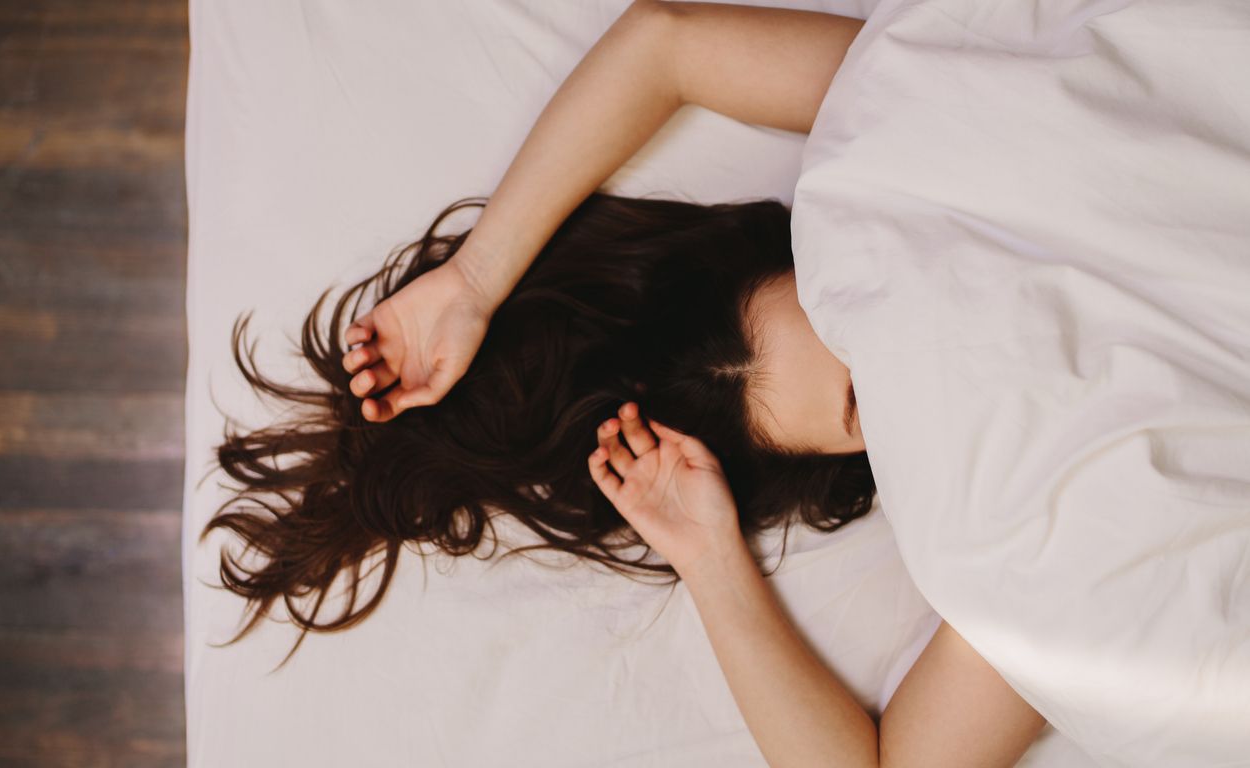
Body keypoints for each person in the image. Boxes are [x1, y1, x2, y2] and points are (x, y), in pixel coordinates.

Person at [207, 2, 1047, 765]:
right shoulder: (1030, 516)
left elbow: (665, 45)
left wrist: (476, 280)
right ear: (857, 457)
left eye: (846, 313)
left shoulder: (946, 127)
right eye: (862, 401)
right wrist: (711, 558)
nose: (906, 347)